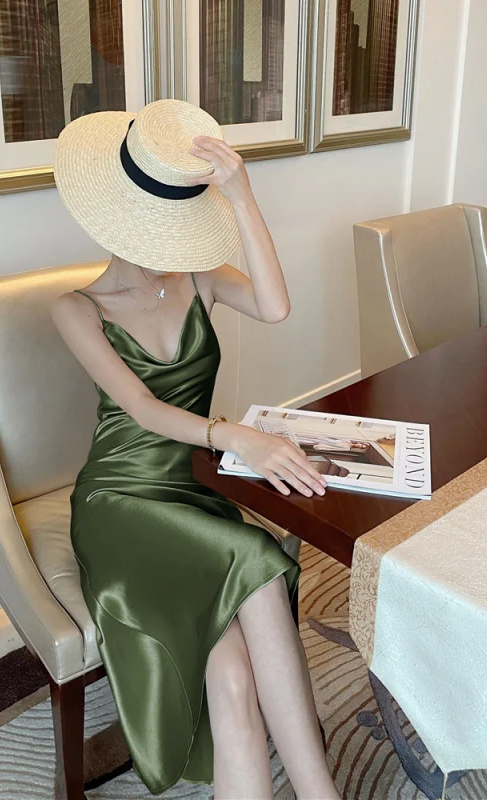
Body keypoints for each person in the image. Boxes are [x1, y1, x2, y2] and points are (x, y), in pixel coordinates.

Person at [51, 99, 340, 800]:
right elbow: (143, 409)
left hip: (192, 492)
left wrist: (242, 195)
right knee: (258, 558)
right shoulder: (76, 308)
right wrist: (232, 435)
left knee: (232, 675)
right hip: (121, 501)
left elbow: (275, 305)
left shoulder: (202, 278)